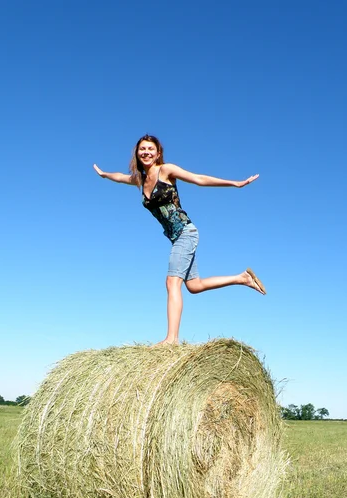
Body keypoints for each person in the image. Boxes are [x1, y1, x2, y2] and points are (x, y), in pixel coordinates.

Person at [93, 134, 265, 345]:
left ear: (158, 153)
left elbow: (199, 179)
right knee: (194, 286)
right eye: (142, 149)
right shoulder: (140, 179)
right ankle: (242, 278)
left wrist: (234, 183)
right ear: (137, 154)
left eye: (150, 149)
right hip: (176, 238)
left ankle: (172, 339)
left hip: (186, 232)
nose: (146, 152)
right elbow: (120, 176)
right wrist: (104, 175)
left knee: (171, 282)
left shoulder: (166, 171)